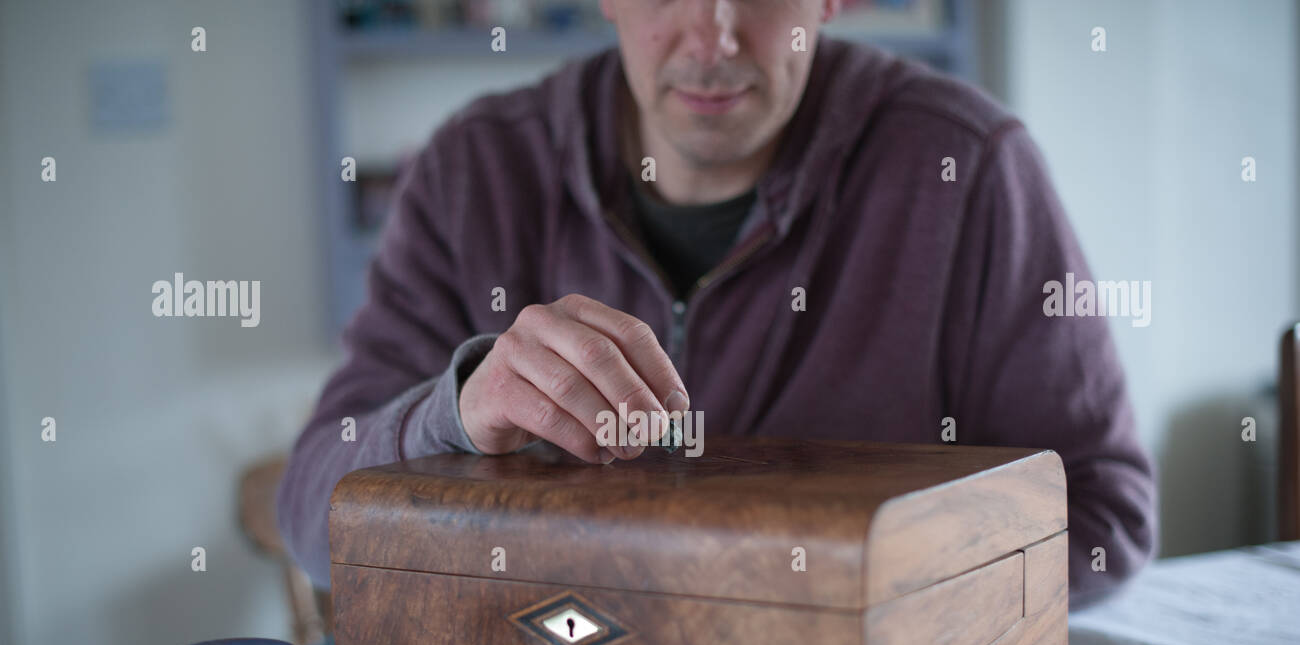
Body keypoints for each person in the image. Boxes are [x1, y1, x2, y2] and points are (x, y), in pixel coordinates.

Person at [277, 0, 1157, 608]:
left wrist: (856, 588)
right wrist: (458, 408)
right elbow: (312, 520)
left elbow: (1104, 513)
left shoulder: (968, 169)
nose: (714, 37)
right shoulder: (473, 171)